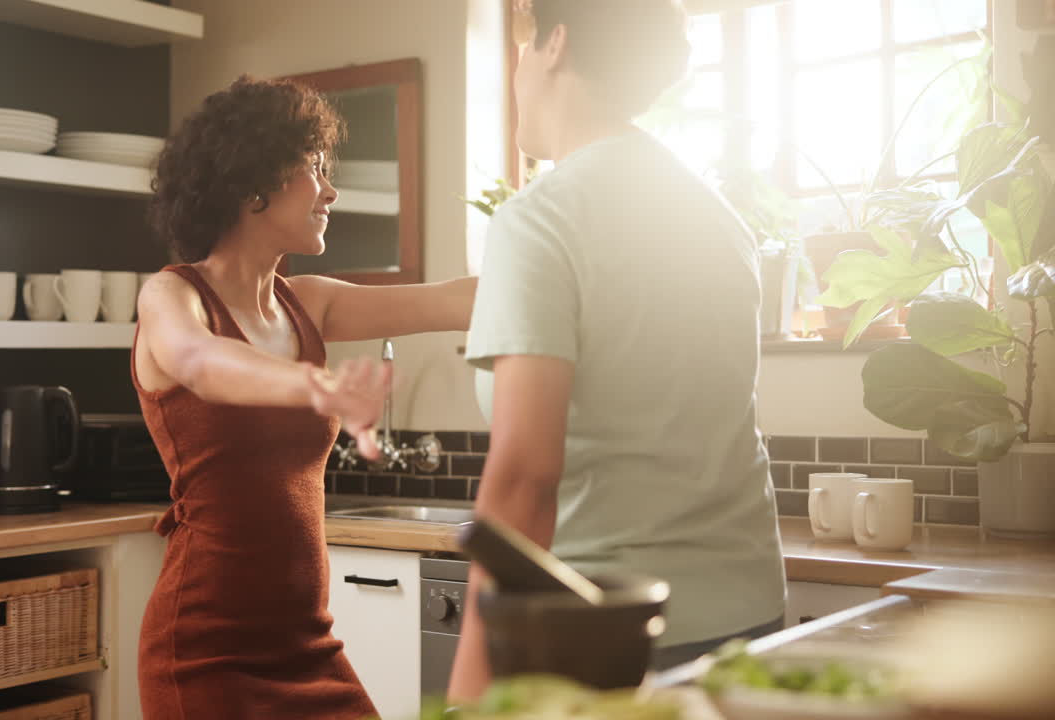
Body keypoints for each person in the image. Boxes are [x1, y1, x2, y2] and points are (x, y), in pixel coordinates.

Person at [447, 0, 787, 700]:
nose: (515, 71)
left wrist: (470, 694)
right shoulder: (718, 219)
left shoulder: (539, 219)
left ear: (555, 46)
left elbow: (524, 479)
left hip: (602, 635)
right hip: (747, 619)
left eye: (521, 47)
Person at [133, 75, 476, 720]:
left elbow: (453, 300)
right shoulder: (172, 296)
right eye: (314, 167)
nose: (330, 189)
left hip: (308, 644)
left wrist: (568, 259)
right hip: (205, 652)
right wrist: (317, 386)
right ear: (252, 181)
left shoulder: (308, 302)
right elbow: (203, 363)